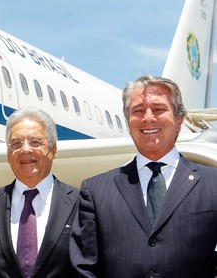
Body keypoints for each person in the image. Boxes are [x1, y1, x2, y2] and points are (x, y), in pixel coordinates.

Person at [70, 75, 217, 277]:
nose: (148, 118)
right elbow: (83, 269)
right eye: (138, 111)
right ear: (128, 122)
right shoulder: (95, 191)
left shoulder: (213, 184)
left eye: (158, 109)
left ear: (179, 120)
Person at [0, 107, 79, 278]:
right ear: (8, 154)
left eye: (36, 141)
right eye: (16, 143)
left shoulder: (81, 204)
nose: (25, 149)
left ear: (54, 149)